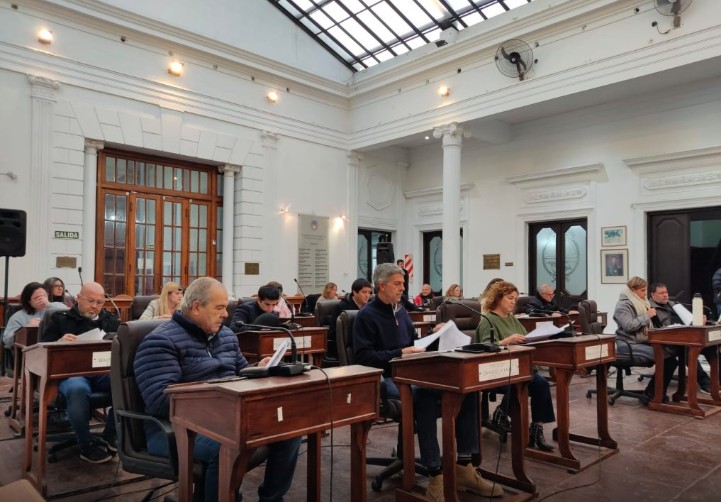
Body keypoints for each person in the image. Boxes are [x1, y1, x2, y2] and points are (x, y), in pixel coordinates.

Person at [134, 277, 300, 502]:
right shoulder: (160, 341)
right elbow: (161, 401)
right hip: (175, 429)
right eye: (219, 307)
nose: (225, 314)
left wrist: (258, 369)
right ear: (196, 307)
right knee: (229, 446)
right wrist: (222, 400)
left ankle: (272, 499)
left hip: (227, 418)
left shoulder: (226, 335)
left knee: (289, 429)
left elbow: (241, 372)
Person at [353, 263, 502, 500]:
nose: (403, 288)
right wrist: (401, 353)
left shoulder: (400, 311)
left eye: (403, 283)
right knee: (424, 394)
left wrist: (434, 334)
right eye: (397, 283)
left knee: (467, 389)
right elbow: (363, 358)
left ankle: (464, 466)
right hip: (386, 379)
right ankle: (435, 472)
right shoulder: (366, 316)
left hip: (414, 373)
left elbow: (415, 343)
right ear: (381, 285)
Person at [41, 281, 120, 464]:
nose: (95, 306)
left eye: (99, 302)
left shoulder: (111, 321)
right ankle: (86, 445)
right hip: (71, 373)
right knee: (77, 388)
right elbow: (41, 349)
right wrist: (58, 343)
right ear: (78, 298)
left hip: (102, 371)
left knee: (127, 383)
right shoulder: (60, 319)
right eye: (90, 301)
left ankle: (111, 433)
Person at [474, 281, 556, 452]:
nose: (513, 302)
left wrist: (538, 337)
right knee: (522, 383)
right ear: (498, 298)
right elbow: (486, 348)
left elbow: (525, 338)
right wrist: (507, 341)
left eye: (515, 299)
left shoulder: (512, 318)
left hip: (519, 368)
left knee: (541, 384)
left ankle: (536, 429)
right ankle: (502, 412)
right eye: (509, 298)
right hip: (498, 370)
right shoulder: (488, 320)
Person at [614, 276, 679, 403]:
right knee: (665, 357)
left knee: (671, 357)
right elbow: (628, 326)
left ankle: (654, 393)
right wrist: (646, 316)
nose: (645, 293)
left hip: (641, 341)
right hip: (628, 344)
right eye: (643, 290)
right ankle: (653, 394)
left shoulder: (642, 302)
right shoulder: (622, 306)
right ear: (633, 290)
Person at [649, 282, 713, 393]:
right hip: (664, 340)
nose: (665, 295)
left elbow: (689, 321)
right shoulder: (649, 308)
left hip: (683, 336)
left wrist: (699, 322)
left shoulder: (673, 304)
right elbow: (657, 329)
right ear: (653, 295)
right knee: (688, 350)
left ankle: (717, 382)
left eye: (666, 292)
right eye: (661, 293)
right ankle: (705, 383)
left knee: (711, 348)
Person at [2, 282, 67, 348]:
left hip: (55, 347)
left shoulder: (55, 307)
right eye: (37, 297)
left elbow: (67, 313)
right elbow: (7, 340)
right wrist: (26, 328)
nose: (42, 299)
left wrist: (48, 304)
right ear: (29, 301)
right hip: (30, 350)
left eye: (44, 295)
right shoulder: (18, 317)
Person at [327, 278, 372, 358]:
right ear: (355, 292)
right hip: (349, 347)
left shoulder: (370, 307)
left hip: (366, 344)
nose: (367, 295)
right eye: (364, 292)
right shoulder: (341, 307)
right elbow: (333, 333)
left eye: (369, 292)